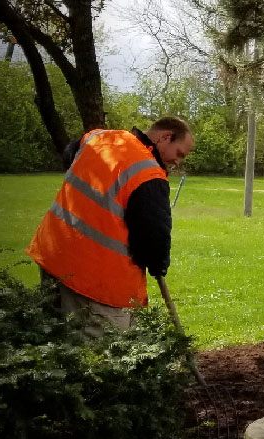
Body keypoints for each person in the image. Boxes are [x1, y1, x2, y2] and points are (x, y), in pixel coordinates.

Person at [26, 117, 194, 337]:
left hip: (52, 255)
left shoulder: (100, 137)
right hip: (96, 281)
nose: (178, 162)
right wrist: (158, 265)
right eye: (179, 153)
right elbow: (153, 239)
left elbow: (70, 154)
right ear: (165, 137)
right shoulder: (149, 174)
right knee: (103, 355)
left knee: (55, 339)